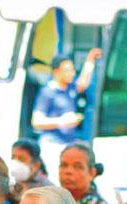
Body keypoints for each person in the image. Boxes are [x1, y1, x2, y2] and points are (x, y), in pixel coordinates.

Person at [32, 50, 102, 182]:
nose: (72, 74)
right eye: (67, 70)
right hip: (52, 144)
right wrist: (62, 121)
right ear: (56, 72)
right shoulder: (47, 92)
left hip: (67, 143)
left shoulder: (69, 89)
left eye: (73, 70)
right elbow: (37, 121)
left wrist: (90, 60)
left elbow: (83, 82)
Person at [10, 138, 52, 203]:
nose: (16, 163)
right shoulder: (13, 184)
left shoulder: (46, 190)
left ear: (36, 165)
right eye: (13, 157)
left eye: (21, 159)